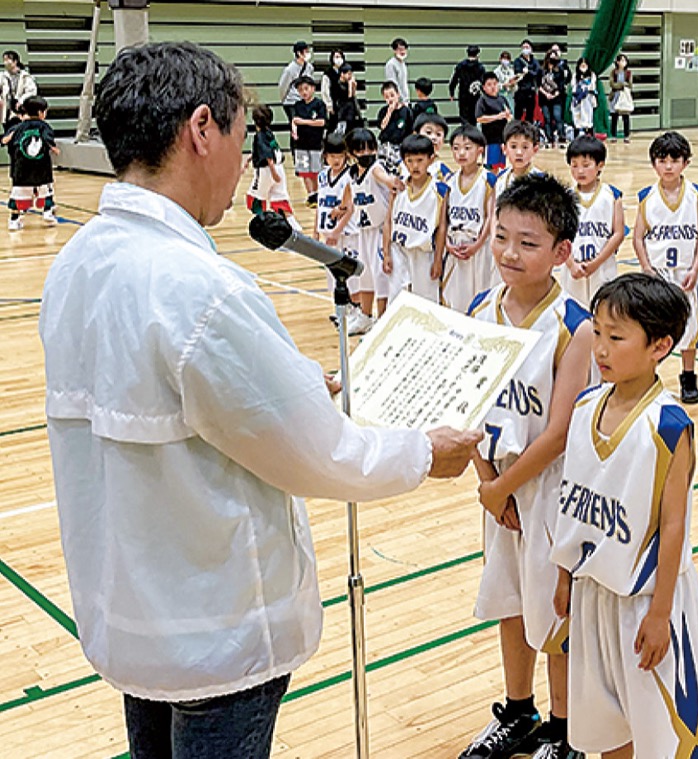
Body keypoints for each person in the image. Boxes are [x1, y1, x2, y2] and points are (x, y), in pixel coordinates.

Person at [39, 41, 481, 759]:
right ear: (203, 129)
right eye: (243, 140)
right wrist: (422, 450)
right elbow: (322, 453)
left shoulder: (78, 263)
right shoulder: (199, 288)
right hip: (216, 627)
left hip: (132, 613)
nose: (244, 162)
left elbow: (175, 399)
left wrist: (293, 379)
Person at [550, 273, 698, 759]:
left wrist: (662, 612)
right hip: (592, 594)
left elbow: (674, 526)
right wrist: (565, 573)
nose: (601, 349)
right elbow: (573, 498)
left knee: (667, 740)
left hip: (644, 602)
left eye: (616, 337)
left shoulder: (670, 425)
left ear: (660, 346)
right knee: (606, 730)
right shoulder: (586, 407)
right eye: (598, 333)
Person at [459, 173, 592, 759]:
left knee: (552, 611)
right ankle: (518, 710)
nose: (510, 253)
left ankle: (564, 730)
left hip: (548, 490)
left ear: (562, 252)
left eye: (528, 242)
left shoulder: (574, 325)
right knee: (508, 601)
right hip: (497, 486)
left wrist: (506, 486)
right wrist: (489, 483)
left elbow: (561, 431)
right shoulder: (480, 309)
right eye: (502, 237)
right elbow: (464, 405)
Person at [632, 131, 698, 405]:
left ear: (685, 162)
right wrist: (646, 268)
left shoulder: (696, 195)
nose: (668, 165)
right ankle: (648, 378)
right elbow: (638, 236)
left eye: (674, 160)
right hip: (659, 272)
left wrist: (697, 268)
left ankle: (689, 377)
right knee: (654, 329)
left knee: (689, 329)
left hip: (687, 272)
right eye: (662, 160)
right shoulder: (646, 196)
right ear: (654, 164)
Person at [314, 134, 372, 333]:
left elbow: (350, 209)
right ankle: (344, 309)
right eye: (331, 156)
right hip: (328, 232)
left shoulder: (350, 177)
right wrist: (316, 231)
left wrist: (336, 231)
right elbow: (319, 205)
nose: (336, 160)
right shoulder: (322, 176)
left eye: (339, 156)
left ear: (346, 156)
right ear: (325, 156)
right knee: (333, 273)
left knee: (352, 275)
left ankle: (357, 312)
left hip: (347, 233)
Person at [343, 127, 400, 325]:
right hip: (363, 231)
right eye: (360, 150)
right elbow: (349, 194)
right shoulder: (351, 174)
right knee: (365, 274)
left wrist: (395, 181)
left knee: (380, 276)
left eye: (370, 149)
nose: (366, 154)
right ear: (351, 153)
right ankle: (365, 316)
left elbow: (386, 179)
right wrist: (341, 207)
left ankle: (382, 320)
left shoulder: (375, 168)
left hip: (380, 231)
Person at [383, 133, 448, 305]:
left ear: (431, 159)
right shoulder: (399, 188)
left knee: (426, 305)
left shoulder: (440, 190)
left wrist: (438, 259)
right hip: (398, 251)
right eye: (410, 161)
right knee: (396, 303)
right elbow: (388, 221)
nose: (415, 166)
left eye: (420, 160)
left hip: (424, 254)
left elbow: (441, 228)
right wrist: (386, 253)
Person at [563, 135, 624, 306]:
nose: (579, 171)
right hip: (572, 269)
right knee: (574, 319)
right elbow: (559, 235)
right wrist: (571, 264)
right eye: (574, 166)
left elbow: (618, 234)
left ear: (600, 165)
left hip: (603, 267)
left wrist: (596, 263)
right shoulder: (565, 196)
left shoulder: (612, 195)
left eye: (586, 165)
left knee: (603, 314)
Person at [442, 124, 497, 312]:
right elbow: (444, 219)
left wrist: (477, 244)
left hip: (478, 245)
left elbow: (491, 217)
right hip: (455, 245)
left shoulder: (488, 179)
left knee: (479, 296)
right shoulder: (449, 180)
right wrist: (447, 244)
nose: (461, 153)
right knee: (454, 299)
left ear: (480, 150)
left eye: (467, 148)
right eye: (456, 148)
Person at [3, 95, 57, 230]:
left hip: (22, 169)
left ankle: (14, 220)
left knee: (19, 193)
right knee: (45, 189)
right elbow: (48, 139)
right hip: (41, 167)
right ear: (40, 112)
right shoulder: (44, 126)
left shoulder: (17, 127)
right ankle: (47, 212)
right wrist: (53, 147)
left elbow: (5, 140)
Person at [243, 103, 294, 221]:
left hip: (267, 170)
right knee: (279, 197)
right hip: (279, 167)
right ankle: (290, 223)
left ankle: (263, 221)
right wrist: (249, 158)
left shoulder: (259, 136)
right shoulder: (269, 133)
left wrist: (273, 173)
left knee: (254, 197)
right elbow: (265, 150)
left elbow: (268, 156)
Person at [289, 76, 326, 205]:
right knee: (304, 171)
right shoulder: (298, 106)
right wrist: (294, 130)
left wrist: (303, 122)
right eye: (300, 90)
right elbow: (294, 121)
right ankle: (311, 195)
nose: (304, 92)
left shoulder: (319, 104)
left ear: (313, 89)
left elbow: (321, 122)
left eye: (306, 89)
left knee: (316, 171)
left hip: (315, 144)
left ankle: (319, 193)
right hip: (301, 145)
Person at [494, 119, 543, 200]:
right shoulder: (500, 178)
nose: (519, 152)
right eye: (513, 146)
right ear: (504, 149)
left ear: (535, 149)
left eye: (525, 147)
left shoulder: (541, 181)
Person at [476, 73, 511, 171]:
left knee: (501, 167)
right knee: (490, 167)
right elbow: (479, 118)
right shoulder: (483, 100)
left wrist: (508, 116)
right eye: (489, 84)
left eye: (495, 84)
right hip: (490, 140)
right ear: (484, 87)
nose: (493, 87)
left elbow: (510, 116)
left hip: (502, 140)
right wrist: (497, 117)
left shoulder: (502, 99)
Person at [377, 80, 412, 174]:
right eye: (387, 97)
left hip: (400, 146)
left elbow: (410, 130)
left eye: (392, 95)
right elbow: (382, 126)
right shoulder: (383, 111)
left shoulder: (406, 111)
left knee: (400, 171)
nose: (390, 99)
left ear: (398, 95)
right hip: (385, 146)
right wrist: (389, 112)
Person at [276, 40, 313, 125]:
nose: (308, 54)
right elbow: (283, 86)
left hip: (304, 101)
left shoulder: (309, 67)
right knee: (295, 126)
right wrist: (285, 100)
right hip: (292, 102)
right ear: (299, 53)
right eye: (305, 51)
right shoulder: (290, 69)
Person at [540, 46, 570, 148]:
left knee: (558, 117)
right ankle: (549, 139)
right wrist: (546, 94)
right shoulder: (542, 71)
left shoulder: (560, 71)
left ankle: (562, 138)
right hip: (544, 98)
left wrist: (554, 94)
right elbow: (538, 85)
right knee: (547, 118)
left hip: (556, 98)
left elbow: (562, 85)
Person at [450, 45, 487, 127]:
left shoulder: (460, 66)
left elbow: (454, 80)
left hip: (463, 95)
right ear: (477, 54)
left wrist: (451, 92)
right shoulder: (480, 67)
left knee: (464, 117)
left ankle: (465, 132)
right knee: (474, 117)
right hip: (475, 95)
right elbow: (483, 82)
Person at [414, 112, 455, 182]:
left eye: (438, 134)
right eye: (428, 132)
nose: (433, 137)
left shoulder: (440, 167)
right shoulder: (404, 164)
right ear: (415, 134)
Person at [1, 50, 37, 128]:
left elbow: (32, 91)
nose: (5, 62)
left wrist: (21, 100)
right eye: (4, 60)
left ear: (15, 61)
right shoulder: (3, 76)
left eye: (7, 60)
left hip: (21, 110)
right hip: (7, 110)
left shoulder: (25, 76)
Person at [513, 40, 541, 124]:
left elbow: (537, 73)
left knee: (530, 114)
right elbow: (518, 73)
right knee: (518, 114)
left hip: (531, 91)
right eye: (523, 47)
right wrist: (528, 72)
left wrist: (528, 72)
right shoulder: (518, 61)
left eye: (527, 47)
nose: (525, 49)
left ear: (531, 49)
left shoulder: (535, 61)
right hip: (520, 91)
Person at [609, 54, 634, 143]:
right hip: (615, 96)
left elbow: (630, 85)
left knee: (626, 117)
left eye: (625, 61)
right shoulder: (613, 72)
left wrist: (622, 85)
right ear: (617, 62)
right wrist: (621, 85)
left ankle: (626, 135)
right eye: (621, 60)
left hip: (624, 97)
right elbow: (612, 84)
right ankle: (613, 135)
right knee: (614, 117)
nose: (623, 63)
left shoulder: (628, 73)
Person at [570, 58, 597, 138]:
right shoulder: (575, 75)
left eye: (585, 64)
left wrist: (586, 89)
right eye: (581, 64)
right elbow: (573, 87)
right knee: (577, 119)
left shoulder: (592, 75)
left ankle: (590, 137)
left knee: (588, 119)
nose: (583, 66)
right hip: (577, 100)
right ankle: (576, 137)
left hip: (588, 99)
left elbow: (592, 87)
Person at [318, 49, 345, 128]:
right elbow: (325, 91)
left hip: (344, 105)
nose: (338, 59)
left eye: (340, 57)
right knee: (333, 126)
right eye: (336, 57)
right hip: (334, 104)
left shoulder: (345, 71)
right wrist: (329, 105)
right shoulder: (328, 73)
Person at [386, 37, 410, 105]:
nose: (402, 52)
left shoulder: (403, 63)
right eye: (400, 49)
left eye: (404, 49)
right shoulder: (391, 64)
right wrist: (399, 100)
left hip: (405, 101)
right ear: (394, 50)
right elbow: (392, 85)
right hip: (397, 102)